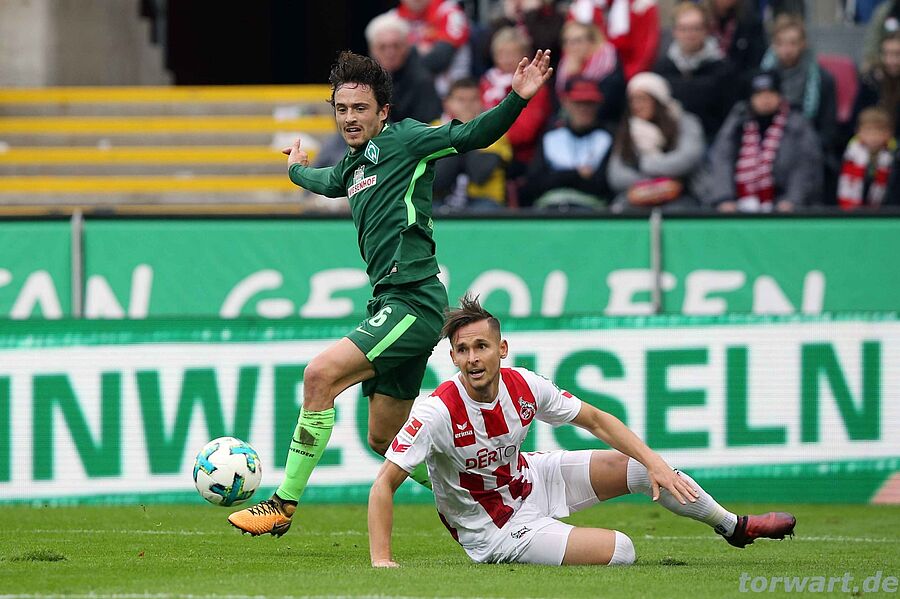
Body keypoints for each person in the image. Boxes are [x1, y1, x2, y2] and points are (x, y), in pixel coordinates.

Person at [228, 49, 554, 537]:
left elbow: (472, 134)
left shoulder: (406, 139)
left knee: (319, 375)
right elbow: (325, 182)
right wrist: (295, 169)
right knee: (385, 438)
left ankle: (283, 503)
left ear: (383, 111)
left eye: (360, 108)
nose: (349, 118)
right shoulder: (352, 166)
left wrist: (517, 99)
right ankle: (486, 495)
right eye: (341, 109)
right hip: (390, 302)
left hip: (413, 299)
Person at [368, 295, 797, 567]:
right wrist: (382, 561)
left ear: (502, 349)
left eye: (481, 346)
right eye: (462, 350)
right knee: (622, 551)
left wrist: (655, 463)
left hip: (529, 479)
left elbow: (595, 419)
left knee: (640, 467)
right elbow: (384, 484)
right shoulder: (438, 411)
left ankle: (733, 527)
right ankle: (540, 538)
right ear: (453, 358)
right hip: (494, 529)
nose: (472, 358)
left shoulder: (524, 385)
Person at [705, 70, 823, 212]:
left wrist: (793, 200)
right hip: (739, 203)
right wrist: (724, 198)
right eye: (759, 94)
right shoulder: (737, 123)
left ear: (780, 95)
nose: (765, 99)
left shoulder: (797, 124)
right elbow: (722, 160)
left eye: (771, 93)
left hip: (784, 203)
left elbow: (805, 166)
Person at [607, 72, 706, 211]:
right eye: (632, 100)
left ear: (658, 99)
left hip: (684, 194)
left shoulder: (685, 122)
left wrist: (646, 164)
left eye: (642, 99)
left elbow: (687, 159)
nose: (636, 105)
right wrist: (654, 188)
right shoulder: (627, 130)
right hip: (638, 196)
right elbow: (616, 176)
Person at [522, 77, 614, 210]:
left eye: (589, 103)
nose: (584, 109)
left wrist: (557, 177)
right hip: (550, 207)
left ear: (598, 105)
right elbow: (534, 183)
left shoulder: (607, 138)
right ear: (566, 103)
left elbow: (603, 185)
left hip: (590, 210)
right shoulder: (551, 137)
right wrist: (577, 174)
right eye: (578, 103)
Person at [760, 14, 838, 155]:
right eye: (781, 43)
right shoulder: (761, 81)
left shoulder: (823, 80)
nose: (787, 49)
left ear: (803, 44)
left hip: (809, 147)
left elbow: (828, 130)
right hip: (768, 149)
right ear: (773, 45)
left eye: (793, 43)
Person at [654, 2, 732, 141]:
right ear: (674, 31)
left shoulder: (723, 69)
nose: (689, 34)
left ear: (706, 30)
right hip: (669, 139)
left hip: (711, 139)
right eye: (683, 28)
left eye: (696, 28)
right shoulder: (662, 67)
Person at [481, 27, 554, 175]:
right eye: (501, 54)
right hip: (486, 150)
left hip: (521, 159)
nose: (506, 59)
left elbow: (525, 131)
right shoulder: (487, 82)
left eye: (512, 53)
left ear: (525, 55)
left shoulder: (535, 85)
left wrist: (484, 134)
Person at [433, 78, 512, 212]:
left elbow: (479, 174)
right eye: (461, 100)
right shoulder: (433, 129)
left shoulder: (495, 129)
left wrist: (466, 130)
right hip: (441, 200)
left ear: (481, 101)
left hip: (484, 201)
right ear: (447, 103)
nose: (467, 105)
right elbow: (438, 179)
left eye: (473, 99)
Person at [366, 12, 443, 123]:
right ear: (372, 50)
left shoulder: (422, 81)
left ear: (407, 47)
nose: (390, 53)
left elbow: (427, 127)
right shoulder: (365, 80)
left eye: (396, 46)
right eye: (382, 47)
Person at [391, 0, 472, 97]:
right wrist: (418, 50)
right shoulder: (392, 18)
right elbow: (389, 64)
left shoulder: (449, 11)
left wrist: (408, 52)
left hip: (452, 93)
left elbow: (439, 59)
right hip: (409, 93)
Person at [555, 21, 627, 129]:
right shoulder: (565, 67)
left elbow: (609, 103)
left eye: (577, 41)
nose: (571, 46)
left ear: (592, 42)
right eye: (566, 41)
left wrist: (575, 77)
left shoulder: (609, 64)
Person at [567, 0, 661, 80]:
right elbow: (569, 49)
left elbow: (646, 53)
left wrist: (624, 79)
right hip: (586, 78)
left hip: (626, 76)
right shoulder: (580, 7)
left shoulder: (642, 5)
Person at [837, 107, 897, 209]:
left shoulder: (893, 157)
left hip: (884, 210)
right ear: (858, 132)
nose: (873, 137)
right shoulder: (851, 155)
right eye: (869, 131)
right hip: (853, 209)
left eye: (878, 131)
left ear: (889, 133)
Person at [701, 0, 766, 76]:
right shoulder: (699, 19)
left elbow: (755, 62)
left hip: (740, 78)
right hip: (703, 78)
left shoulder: (751, 22)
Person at [854, 32, 900, 139]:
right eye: (886, 54)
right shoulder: (870, 81)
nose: (890, 61)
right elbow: (856, 119)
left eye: (897, 54)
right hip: (872, 141)